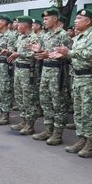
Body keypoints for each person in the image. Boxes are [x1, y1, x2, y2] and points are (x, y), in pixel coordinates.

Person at [51, 9, 92, 158]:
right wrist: (63, 57)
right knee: (79, 112)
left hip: (89, 79)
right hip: (78, 78)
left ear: (88, 22)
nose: (75, 21)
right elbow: (76, 58)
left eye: (79, 18)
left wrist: (69, 53)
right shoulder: (79, 37)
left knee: (90, 112)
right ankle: (82, 139)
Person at [29, 9, 71, 145]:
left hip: (58, 73)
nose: (44, 21)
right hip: (45, 71)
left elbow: (69, 56)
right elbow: (44, 53)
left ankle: (57, 134)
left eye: (47, 19)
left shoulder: (64, 35)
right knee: (45, 101)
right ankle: (48, 129)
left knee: (58, 103)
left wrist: (49, 55)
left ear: (55, 19)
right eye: (44, 19)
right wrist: (39, 52)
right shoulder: (45, 36)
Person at [7, 16, 40, 135]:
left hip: (28, 72)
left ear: (25, 26)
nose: (17, 26)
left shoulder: (34, 38)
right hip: (18, 70)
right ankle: (24, 120)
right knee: (19, 96)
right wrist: (10, 52)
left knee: (28, 98)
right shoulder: (20, 37)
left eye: (19, 24)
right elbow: (17, 51)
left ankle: (30, 124)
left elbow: (35, 54)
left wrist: (19, 54)